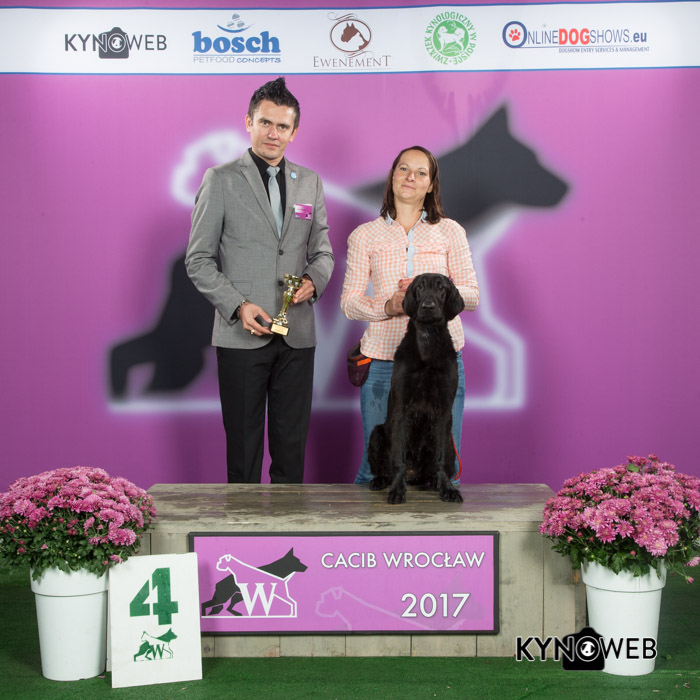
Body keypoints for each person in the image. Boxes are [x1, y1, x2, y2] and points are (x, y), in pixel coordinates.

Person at [186, 77, 334, 484]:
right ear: (249, 122)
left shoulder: (310, 181)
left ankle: (287, 522)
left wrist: (314, 280)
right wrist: (238, 306)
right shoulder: (220, 179)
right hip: (241, 335)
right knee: (243, 453)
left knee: (291, 451)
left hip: (297, 334)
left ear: (294, 132)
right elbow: (198, 259)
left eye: (282, 126)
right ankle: (242, 523)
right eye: (265, 123)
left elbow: (323, 251)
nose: (273, 133)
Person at [340, 145, 479, 485]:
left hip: (440, 362)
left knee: (443, 468)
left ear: (430, 185)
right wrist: (389, 306)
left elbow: (472, 296)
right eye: (403, 169)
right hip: (384, 362)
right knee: (376, 470)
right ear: (392, 176)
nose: (410, 177)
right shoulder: (364, 235)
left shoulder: (451, 231)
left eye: (420, 173)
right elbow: (349, 302)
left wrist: (428, 295)